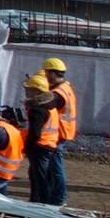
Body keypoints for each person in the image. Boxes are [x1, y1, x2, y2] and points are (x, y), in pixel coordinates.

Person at [24, 72, 67, 206]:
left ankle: (41, 206)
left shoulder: (38, 109)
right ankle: (41, 203)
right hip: (48, 147)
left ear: (36, 91)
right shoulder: (51, 106)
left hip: (39, 148)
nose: (26, 92)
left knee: (40, 180)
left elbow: (35, 133)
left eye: (28, 90)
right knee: (43, 178)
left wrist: (27, 147)